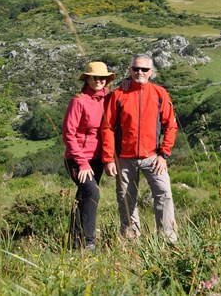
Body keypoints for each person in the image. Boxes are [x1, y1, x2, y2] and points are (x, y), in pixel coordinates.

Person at [101, 54, 178, 243]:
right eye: (136, 69)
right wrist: (109, 158)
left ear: (151, 72)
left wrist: (164, 154)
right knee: (126, 200)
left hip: (153, 157)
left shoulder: (160, 94)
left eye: (144, 69)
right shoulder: (118, 95)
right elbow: (107, 127)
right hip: (124, 158)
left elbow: (171, 125)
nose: (140, 72)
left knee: (164, 194)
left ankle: (168, 241)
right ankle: (131, 241)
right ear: (130, 71)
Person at [62, 61, 115, 251]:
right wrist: (82, 163)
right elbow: (68, 134)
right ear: (88, 79)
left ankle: (75, 243)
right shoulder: (79, 101)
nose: (98, 81)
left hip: (98, 159)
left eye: (102, 78)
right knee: (92, 192)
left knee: (84, 197)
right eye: (95, 78)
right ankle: (89, 242)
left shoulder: (108, 99)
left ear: (107, 80)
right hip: (77, 159)